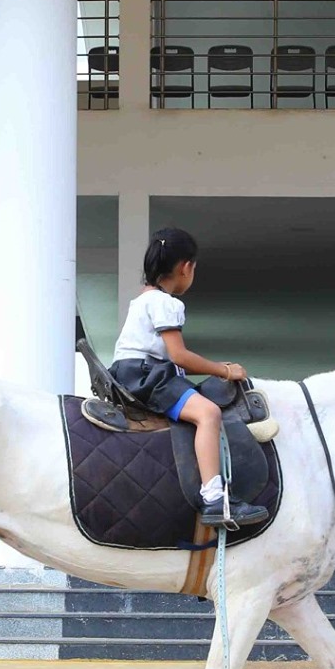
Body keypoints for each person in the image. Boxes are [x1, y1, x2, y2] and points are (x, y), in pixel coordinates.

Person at [108, 227, 267, 529]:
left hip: (133, 372)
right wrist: (224, 371)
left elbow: (173, 358)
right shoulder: (168, 303)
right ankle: (214, 497)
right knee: (209, 413)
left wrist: (215, 365)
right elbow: (179, 356)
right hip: (147, 376)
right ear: (186, 267)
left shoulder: (143, 299)